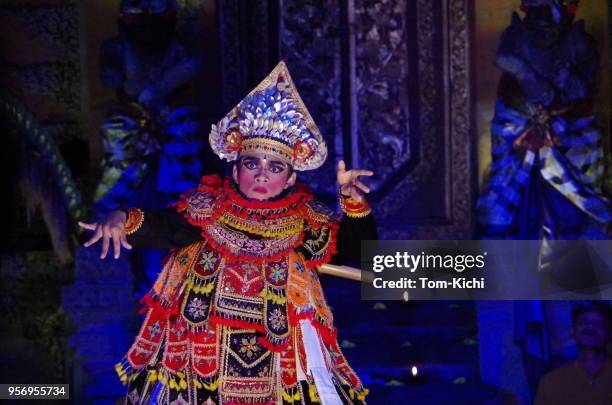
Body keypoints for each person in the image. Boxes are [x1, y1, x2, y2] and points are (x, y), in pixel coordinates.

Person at [79, 61, 376, 405]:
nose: (262, 175)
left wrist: (353, 204)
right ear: (235, 171)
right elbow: (163, 226)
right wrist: (119, 217)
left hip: (284, 367)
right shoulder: (206, 211)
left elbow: (356, 252)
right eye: (252, 163)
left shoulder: (306, 221)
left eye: (275, 166)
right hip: (205, 366)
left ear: (291, 178)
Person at [534, 303, 612, 405]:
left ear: (610, 333)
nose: (590, 327)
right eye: (583, 322)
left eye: (599, 323)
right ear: (573, 331)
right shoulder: (551, 382)